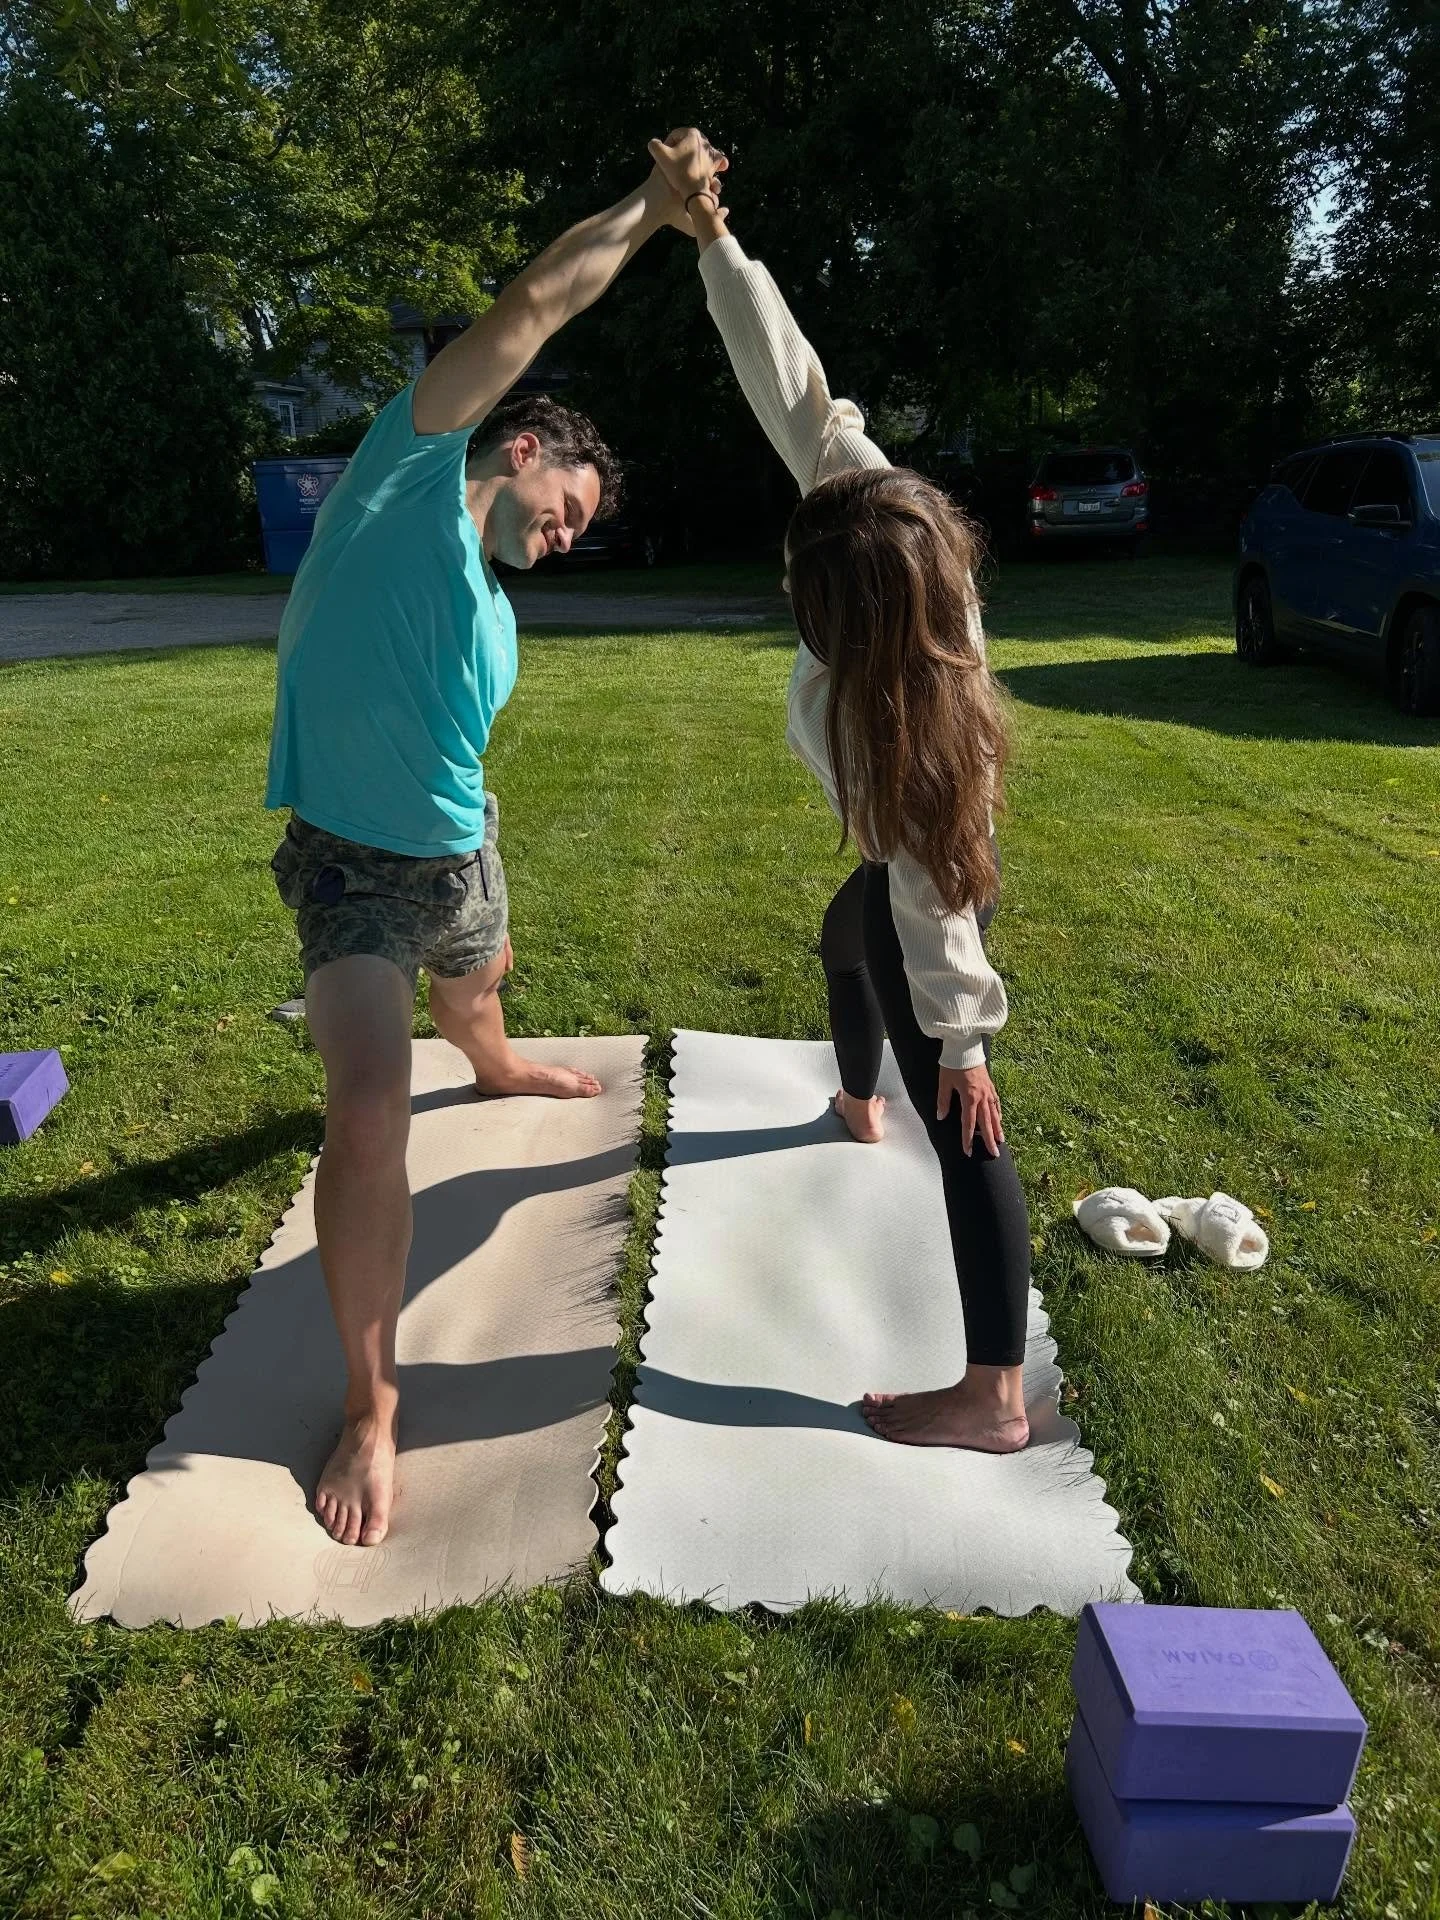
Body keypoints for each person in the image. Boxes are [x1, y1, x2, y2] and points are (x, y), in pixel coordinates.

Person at [266, 134, 727, 1547]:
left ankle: (491, 1045)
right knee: (364, 1110)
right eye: (571, 509)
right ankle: (372, 1407)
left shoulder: (498, 609)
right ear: (526, 450)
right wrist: (653, 210)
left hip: (461, 854)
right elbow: (534, 308)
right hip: (349, 868)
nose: (571, 535)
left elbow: (453, 754)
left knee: (485, 967)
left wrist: (467, 867)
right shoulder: (401, 485)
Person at [651, 132, 1033, 1453]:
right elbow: (799, 393)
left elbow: (942, 879)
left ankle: (990, 1396)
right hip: (901, 849)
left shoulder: (889, 726)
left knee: (962, 1106)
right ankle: (855, 1100)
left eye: (794, 589)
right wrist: (714, 246)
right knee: (841, 936)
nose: (783, 586)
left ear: (847, 621)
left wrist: (968, 1034)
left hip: (924, 859)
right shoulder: (888, 528)